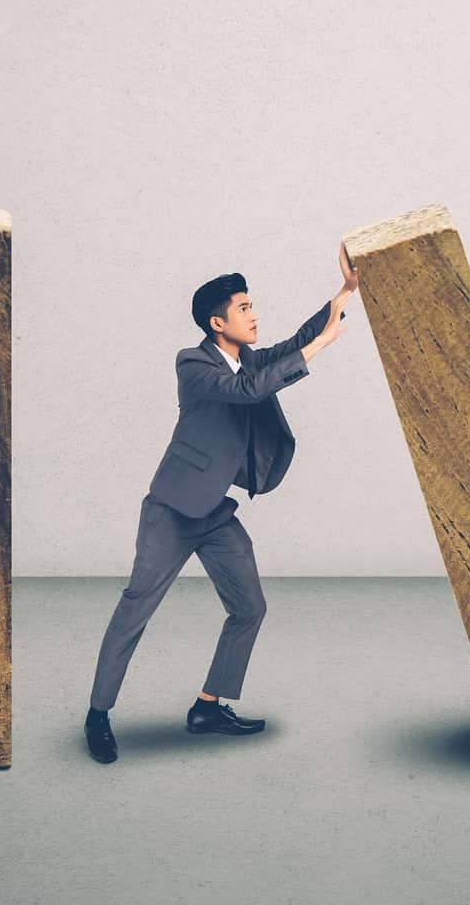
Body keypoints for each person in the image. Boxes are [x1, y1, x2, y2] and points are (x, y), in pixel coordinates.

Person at [84, 241, 357, 763]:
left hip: (214, 514)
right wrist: (317, 350)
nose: (254, 316)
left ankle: (207, 706)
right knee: (135, 610)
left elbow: (288, 348)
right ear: (216, 322)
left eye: (252, 306)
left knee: (249, 607)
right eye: (244, 308)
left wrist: (344, 293)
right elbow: (249, 392)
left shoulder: (249, 358)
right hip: (172, 511)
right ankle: (98, 715)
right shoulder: (192, 364)